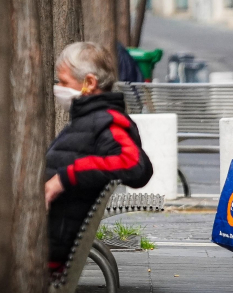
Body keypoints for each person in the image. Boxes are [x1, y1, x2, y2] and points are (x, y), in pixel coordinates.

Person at [44, 41, 153, 269]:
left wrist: (65, 177)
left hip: (49, 250)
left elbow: (135, 164)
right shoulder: (90, 121)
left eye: (64, 82)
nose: (59, 89)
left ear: (90, 82)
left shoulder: (107, 122)